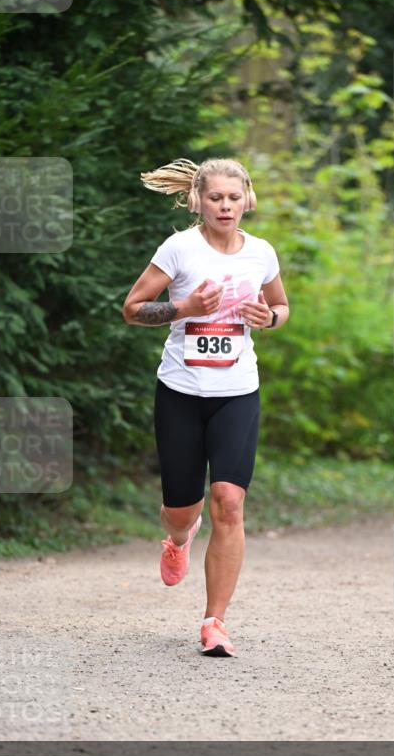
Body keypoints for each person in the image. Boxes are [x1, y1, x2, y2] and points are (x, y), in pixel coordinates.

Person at [123, 158, 289, 655]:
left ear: (247, 201)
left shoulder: (261, 254)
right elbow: (132, 309)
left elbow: (281, 307)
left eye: (234, 198)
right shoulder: (179, 248)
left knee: (229, 502)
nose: (225, 206)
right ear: (198, 200)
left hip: (237, 391)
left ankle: (215, 621)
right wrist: (183, 309)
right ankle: (178, 539)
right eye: (215, 197)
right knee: (181, 508)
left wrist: (269, 318)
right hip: (180, 391)